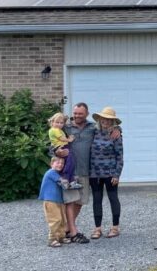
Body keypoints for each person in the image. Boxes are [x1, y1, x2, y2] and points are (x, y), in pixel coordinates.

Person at [54, 102, 120, 244]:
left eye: (80, 114)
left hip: (86, 172)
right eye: (75, 113)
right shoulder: (65, 128)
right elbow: (53, 141)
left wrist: (118, 129)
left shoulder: (92, 128)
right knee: (70, 201)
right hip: (70, 172)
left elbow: (109, 131)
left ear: (87, 115)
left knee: (80, 202)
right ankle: (71, 231)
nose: (77, 116)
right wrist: (55, 151)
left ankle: (67, 229)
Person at [89, 107, 124, 239]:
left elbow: (120, 156)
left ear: (113, 121)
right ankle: (97, 229)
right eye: (103, 118)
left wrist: (117, 174)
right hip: (94, 172)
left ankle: (115, 227)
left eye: (109, 119)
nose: (106, 121)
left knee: (113, 198)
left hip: (110, 173)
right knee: (96, 200)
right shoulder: (93, 131)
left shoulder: (115, 135)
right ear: (99, 119)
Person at [39, 157, 68, 248]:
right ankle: (52, 239)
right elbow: (63, 182)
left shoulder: (57, 174)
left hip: (58, 200)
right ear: (51, 164)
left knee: (63, 219)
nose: (60, 165)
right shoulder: (51, 173)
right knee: (55, 219)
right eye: (57, 163)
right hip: (50, 200)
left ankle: (61, 236)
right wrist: (69, 183)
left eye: (62, 163)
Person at [47, 112, 81, 190]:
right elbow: (61, 138)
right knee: (70, 162)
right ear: (52, 122)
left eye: (61, 123)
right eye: (57, 122)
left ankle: (71, 180)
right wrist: (70, 139)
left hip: (61, 146)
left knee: (69, 162)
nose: (59, 124)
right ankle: (65, 177)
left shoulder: (58, 129)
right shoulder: (55, 130)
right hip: (61, 147)